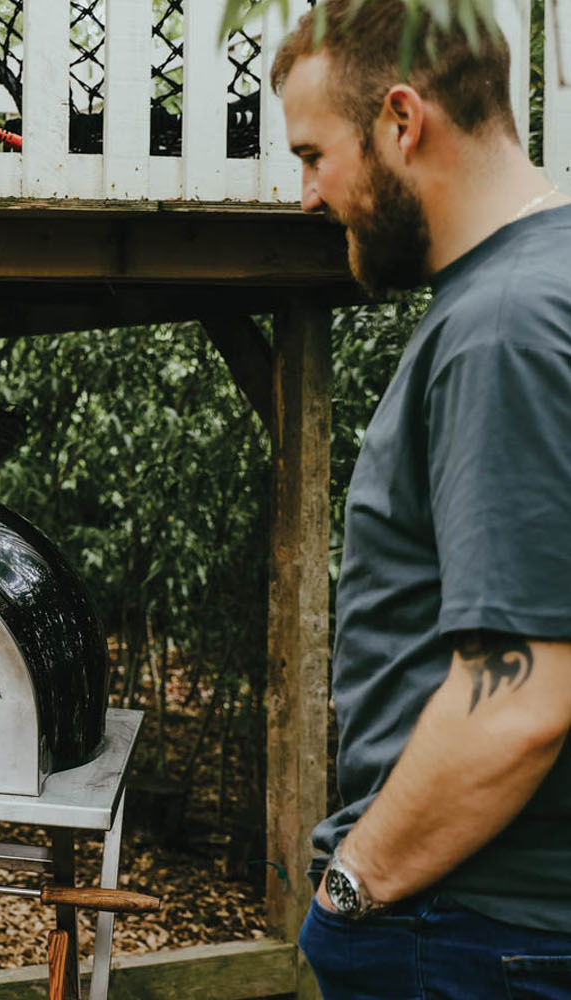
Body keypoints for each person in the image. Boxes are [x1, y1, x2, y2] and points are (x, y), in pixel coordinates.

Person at [271, 1, 571, 995]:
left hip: (473, 930)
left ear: (403, 122)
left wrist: (352, 891)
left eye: (314, 154)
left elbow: (520, 696)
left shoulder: (504, 326)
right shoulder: (543, 285)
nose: (308, 195)